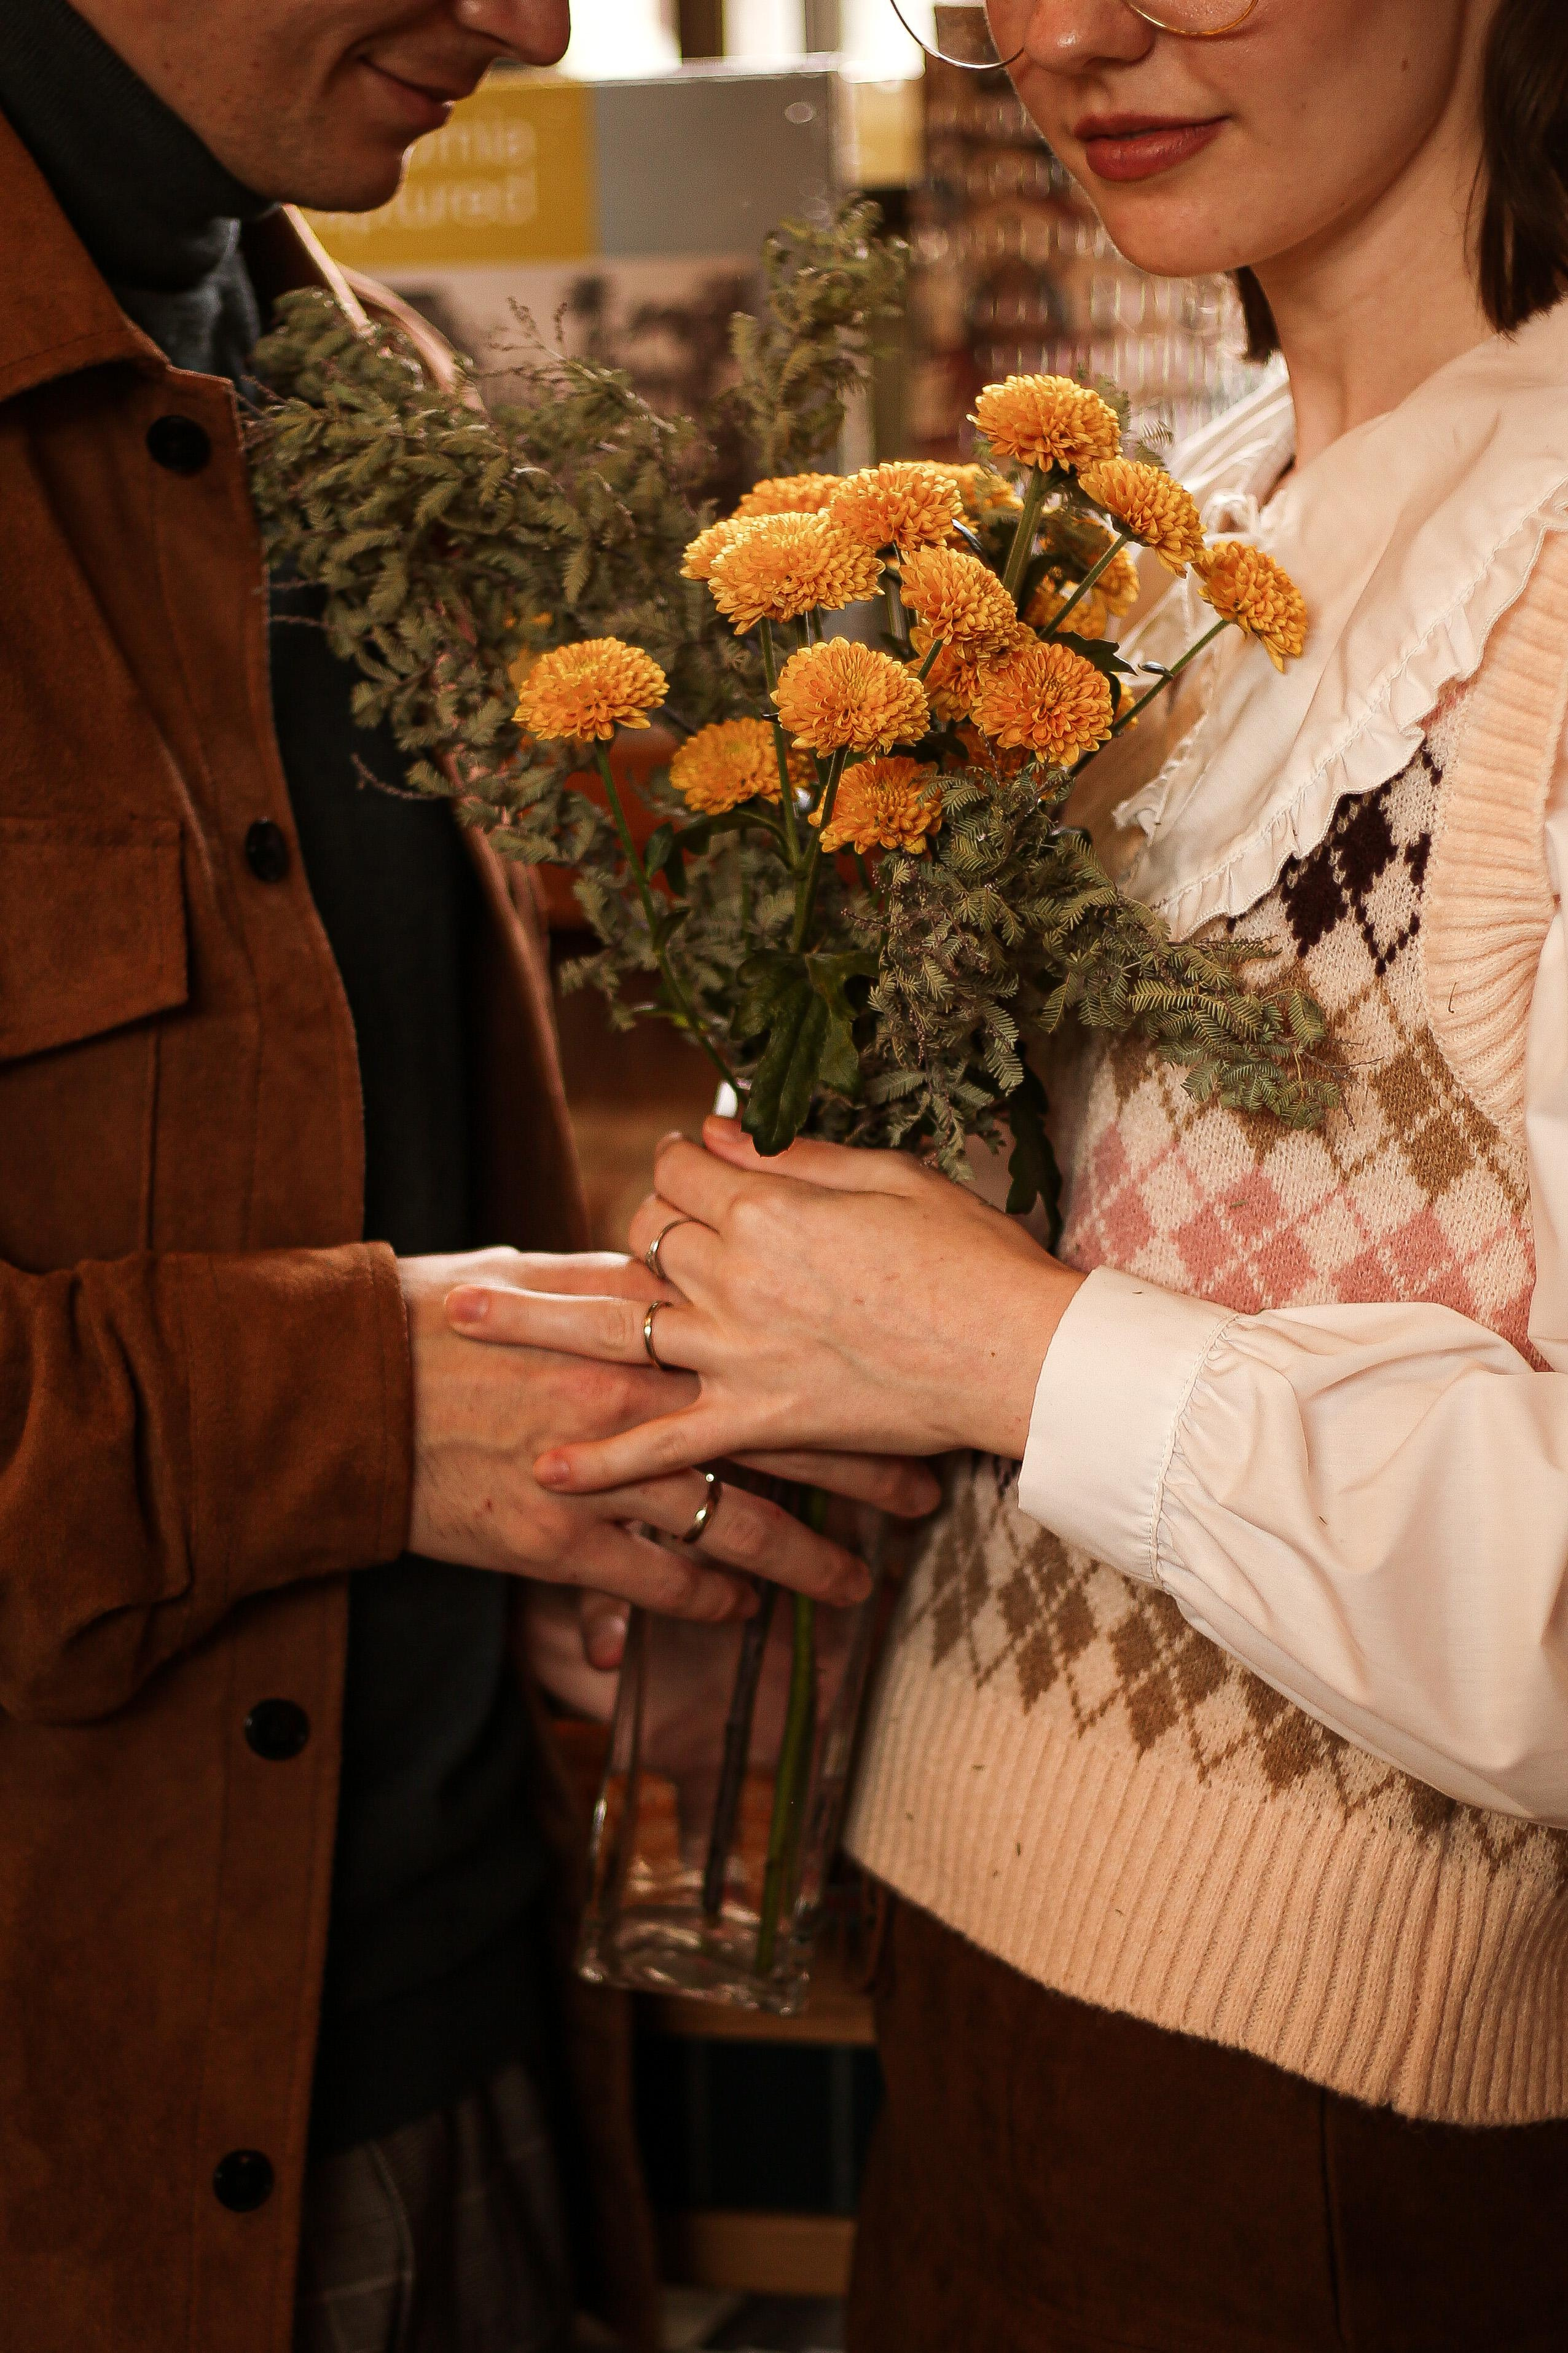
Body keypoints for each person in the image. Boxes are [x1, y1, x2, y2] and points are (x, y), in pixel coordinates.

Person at [457, 1, 1568, 2344]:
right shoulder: (1173, 535)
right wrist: (769, 1556)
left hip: (1340, 2136)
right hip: (962, 1997)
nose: (1063, 37)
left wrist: (1004, 1349)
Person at [0, 3, 938, 2347]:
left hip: (466, 2056)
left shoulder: (351, 395)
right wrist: (368, 1416)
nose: (528, 26)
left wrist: (533, 1512)